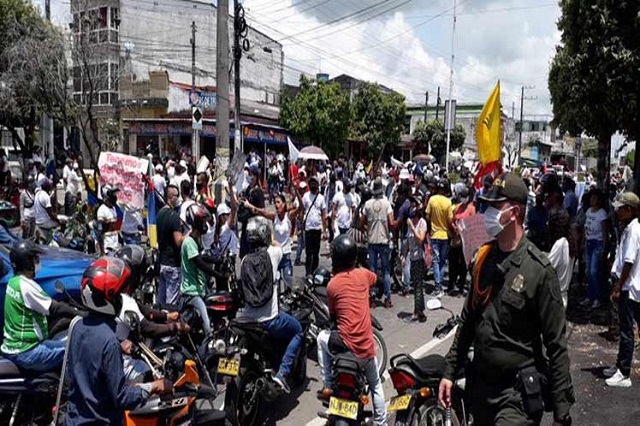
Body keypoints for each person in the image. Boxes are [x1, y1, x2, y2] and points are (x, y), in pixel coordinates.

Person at [438, 173, 574, 426]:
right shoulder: (484, 259)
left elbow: (556, 345)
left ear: (514, 212)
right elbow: (467, 321)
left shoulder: (538, 270)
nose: (487, 212)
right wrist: (449, 371)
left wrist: (561, 412)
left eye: (494, 206)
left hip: (516, 396)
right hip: (480, 391)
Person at [64, 257, 172, 425]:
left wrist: (119, 344)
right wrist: (154, 387)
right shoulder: (109, 342)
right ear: (109, 300)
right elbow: (121, 397)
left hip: (74, 418)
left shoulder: (77, 326)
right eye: (118, 296)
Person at [316, 234, 387, 426]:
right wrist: (377, 291)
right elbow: (379, 281)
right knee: (376, 386)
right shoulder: (363, 274)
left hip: (344, 347)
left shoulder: (332, 285)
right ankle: (381, 422)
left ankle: (328, 384)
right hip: (366, 349)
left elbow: (333, 316)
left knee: (320, 338)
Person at [238, 216, 303, 394]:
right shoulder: (273, 254)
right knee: (297, 330)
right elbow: (278, 246)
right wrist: (270, 234)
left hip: (248, 320)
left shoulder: (244, 260)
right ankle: (282, 374)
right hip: (270, 320)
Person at [114, 245, 190, 384]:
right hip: (121, 364)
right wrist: (176, 327)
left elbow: (144, 310)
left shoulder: (117, 296)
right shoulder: (125, 301)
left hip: (114, 352)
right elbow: (148, 329)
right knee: (155, 378)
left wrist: (167, 316)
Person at [1, 240, 78, 371]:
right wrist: (81, 315)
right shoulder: (26, 285)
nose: (38, 260)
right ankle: (69, 389)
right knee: (76, 347)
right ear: (26, 262)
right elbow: (55, 308)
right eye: (35, 258)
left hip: (13, 348)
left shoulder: (14, 281)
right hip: (27, 351)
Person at [604, 192, 640, 387]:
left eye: (621, 208)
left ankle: (624, 373)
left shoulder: (634, 230)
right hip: (627, 285)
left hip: (629, 287)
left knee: (626, 330)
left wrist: (619, 286)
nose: (617, 211)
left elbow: (629, 261)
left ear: (630, 210)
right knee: (624, 327)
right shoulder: (627, 228)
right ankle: (620, 365)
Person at [180, 203, 227, 336]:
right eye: (203, 222)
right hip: (191, 292)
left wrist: (219, 260)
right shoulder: (188, 242)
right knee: (208, 328)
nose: (205, 225)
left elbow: (204, 257)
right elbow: (200, 263)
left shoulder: (196, 240)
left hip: (200, 288)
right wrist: (219, 275)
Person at [245, 193, 296, 291]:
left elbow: (301, 207)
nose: (276, 205)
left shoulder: (288, 216)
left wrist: (296, 191)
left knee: (289, 283)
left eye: (278, 202)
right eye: (275, 203)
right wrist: (249, 205)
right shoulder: (274, 216)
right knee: (275, 284)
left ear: (284, 204)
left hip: (286, 255)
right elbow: (261, 212)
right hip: (277, 254)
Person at [361, 177, 396, 308]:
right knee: (386, 270)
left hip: (372, 240)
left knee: (372, 270)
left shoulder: (368, 204)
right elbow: (391, 222)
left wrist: (368, 229)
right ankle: (387, 298)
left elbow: (361, 221)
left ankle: (373, 297)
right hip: (384, 240)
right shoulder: (387, 204)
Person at [157, 184, 185, 305]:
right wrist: (190, 235)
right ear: (170, 197)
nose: (178, 199)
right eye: (176, 196)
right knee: (171, 304)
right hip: (172, 264)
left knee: (161, 301)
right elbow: (178, 241)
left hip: (162, 263)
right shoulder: (173, 216)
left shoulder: (159, 214)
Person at [581, 188, 610, 309]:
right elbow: (585, 227)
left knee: (594, 271)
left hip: (597, 243)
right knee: (588, 271)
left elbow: (605, 232)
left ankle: (597, 297)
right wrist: (583, 241)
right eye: (591, 198)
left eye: (594, 198)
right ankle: (590, 296)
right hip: (588, 242)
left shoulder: (602, 213)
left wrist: (604, 248)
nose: (592, 200)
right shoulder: (588, 211)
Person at [425, 180, 453, 298]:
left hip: (435, 234)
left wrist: (433, 223)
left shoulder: (432, 199)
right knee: (442, 261)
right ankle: (439, 284)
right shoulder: (448, 202)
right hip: (445, 235)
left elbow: (427, 215)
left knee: (436, 261)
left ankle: (437, 286)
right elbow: (450, 220)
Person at [449, 186, 476, 295]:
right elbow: (452, 220)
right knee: (453, 263)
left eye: (464, 197)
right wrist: (454, 227)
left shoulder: (471, 209)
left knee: (463, 265)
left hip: (466, 241)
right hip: (456, 240)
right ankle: (452, 284)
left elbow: (473, 224)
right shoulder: (458, 207)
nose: (463, 199)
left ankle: (461, 286)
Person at [547, 211, 576, 309]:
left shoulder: (560, 244)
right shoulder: (570, 243)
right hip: (563, 295)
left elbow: (546, 269)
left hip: (555, 298)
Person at [405, 195, 428, 322]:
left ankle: (417, 311)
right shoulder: (410, 225)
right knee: (417, 285)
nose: (412, 219)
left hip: (420, 258)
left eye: (414, 217)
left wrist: (414, 228)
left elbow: (420, 240)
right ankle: (420, 310)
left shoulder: (422, 223)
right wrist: (404, 255)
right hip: (412, 258)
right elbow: (408, 241)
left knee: (418, 285)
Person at [299, 176, 327, 276]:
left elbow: (324, 214)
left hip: (317, 228)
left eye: (315, 183)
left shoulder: (321, 198)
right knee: (308, 253)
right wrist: (300, 226)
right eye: (311, 183)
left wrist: (325, 230)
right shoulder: (306, 196)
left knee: (316, 253)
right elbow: (302, 210)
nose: (313, 185)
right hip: (308, 228)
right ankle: (308, 273)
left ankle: (315, 272)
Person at [239, 164, 265, 258]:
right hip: (245, 226)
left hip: (254, 228)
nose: (249, 177)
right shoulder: (247, 190)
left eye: (251, 175)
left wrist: (249, 206)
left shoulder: (258, 192)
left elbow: (262, 211)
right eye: (248, 174)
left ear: (256, 176)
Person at [34, 177, 61, 242]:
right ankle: (57, 241)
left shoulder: (37, 193)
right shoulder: (46, 196)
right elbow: (50, 214)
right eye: (50, 185)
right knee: (62, 224)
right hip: (44, 222)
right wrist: (59, 221)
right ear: (47, 187)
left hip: (38, 220)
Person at [97, 184, 122, 255]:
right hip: (107, 248)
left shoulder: (113, 208)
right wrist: (102, 252)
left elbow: (115, 228)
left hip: (115, 246)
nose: (115, 197)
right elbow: (100, 233)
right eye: (112, 194)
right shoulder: (102, 210)